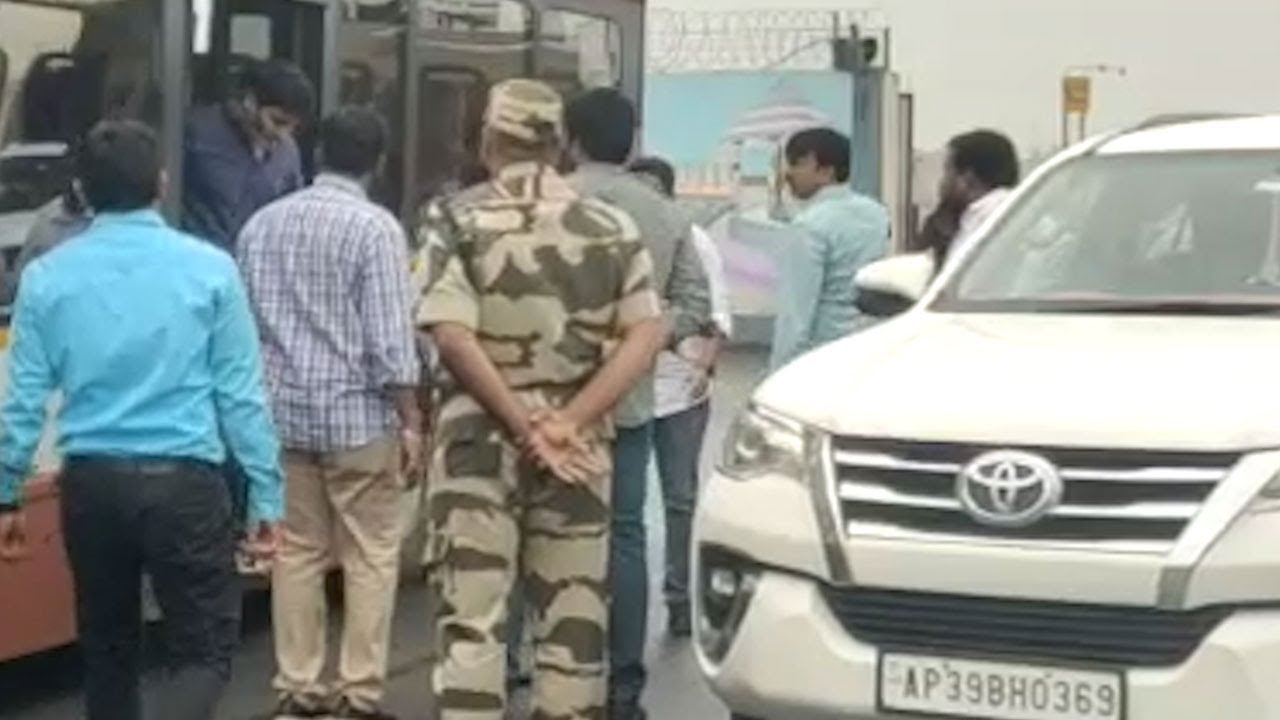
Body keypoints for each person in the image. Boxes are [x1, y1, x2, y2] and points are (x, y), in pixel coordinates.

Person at [0, 120, 284, 720]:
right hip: (185, 484)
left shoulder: (46, 277)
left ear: (82, 187)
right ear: (160, 183)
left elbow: (22, 400)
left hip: (90, 484)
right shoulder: (210, 269)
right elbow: (241, 396)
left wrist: (7, 496)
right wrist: (266, 494)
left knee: (107, 649)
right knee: (204, 651)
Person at [418, 78, 664, 720]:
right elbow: (646, 335)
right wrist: (567, 423)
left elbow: (451, 336)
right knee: (573, 621)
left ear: (487, 141)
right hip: (578, 451)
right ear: (560, 144)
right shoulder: (612, 226)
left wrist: (519, 418)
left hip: (476, 447)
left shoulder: (455, 219)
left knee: (474, 620)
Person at [237, 106, 422, 720]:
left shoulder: (261, 226)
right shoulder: (377, 230)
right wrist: (412, 420)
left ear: (318, 155)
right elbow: (392, 345)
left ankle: (298, 687)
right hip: (359, 420)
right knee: (370, 554)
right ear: (379, 161)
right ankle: (360, 693)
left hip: (282, 417)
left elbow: (247, 330)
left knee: (296, 552)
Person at [564, 87, 712, 720]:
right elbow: (697, 309)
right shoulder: (666, 215)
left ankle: (525, 668)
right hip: (627, 404)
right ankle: (624, 687)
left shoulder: (547, 200)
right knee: (625, 535)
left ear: (568, 137)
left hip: (539, 407)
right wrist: (642, 338)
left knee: (533, 536)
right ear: (632, 143)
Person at [629, 156, 733, 638]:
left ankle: (679, 597)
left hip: (680, 390)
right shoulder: (619, 238)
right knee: (623, 509)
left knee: (680, 498)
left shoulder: (696, 241)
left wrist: (705, 362)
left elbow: (718, 313)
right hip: (628, 388)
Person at [770, 127, 890, 371]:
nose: (788, 174)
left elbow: (796, 314)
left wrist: (777, 372)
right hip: (868, 346)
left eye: (796, 164)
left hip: (821, 353)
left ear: (825, 171)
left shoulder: (809, 226)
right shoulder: (876, 213)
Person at [183, 58, 314, 253]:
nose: (283, 134)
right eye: (277, 121)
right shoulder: (196, 133)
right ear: (250, 102)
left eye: (294, 127)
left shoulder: (288, 152)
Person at [934, 129, 1021, 267]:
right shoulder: (1017, 211)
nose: (943, 181)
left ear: (967, 178)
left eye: (948, 170)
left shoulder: (989, 220)